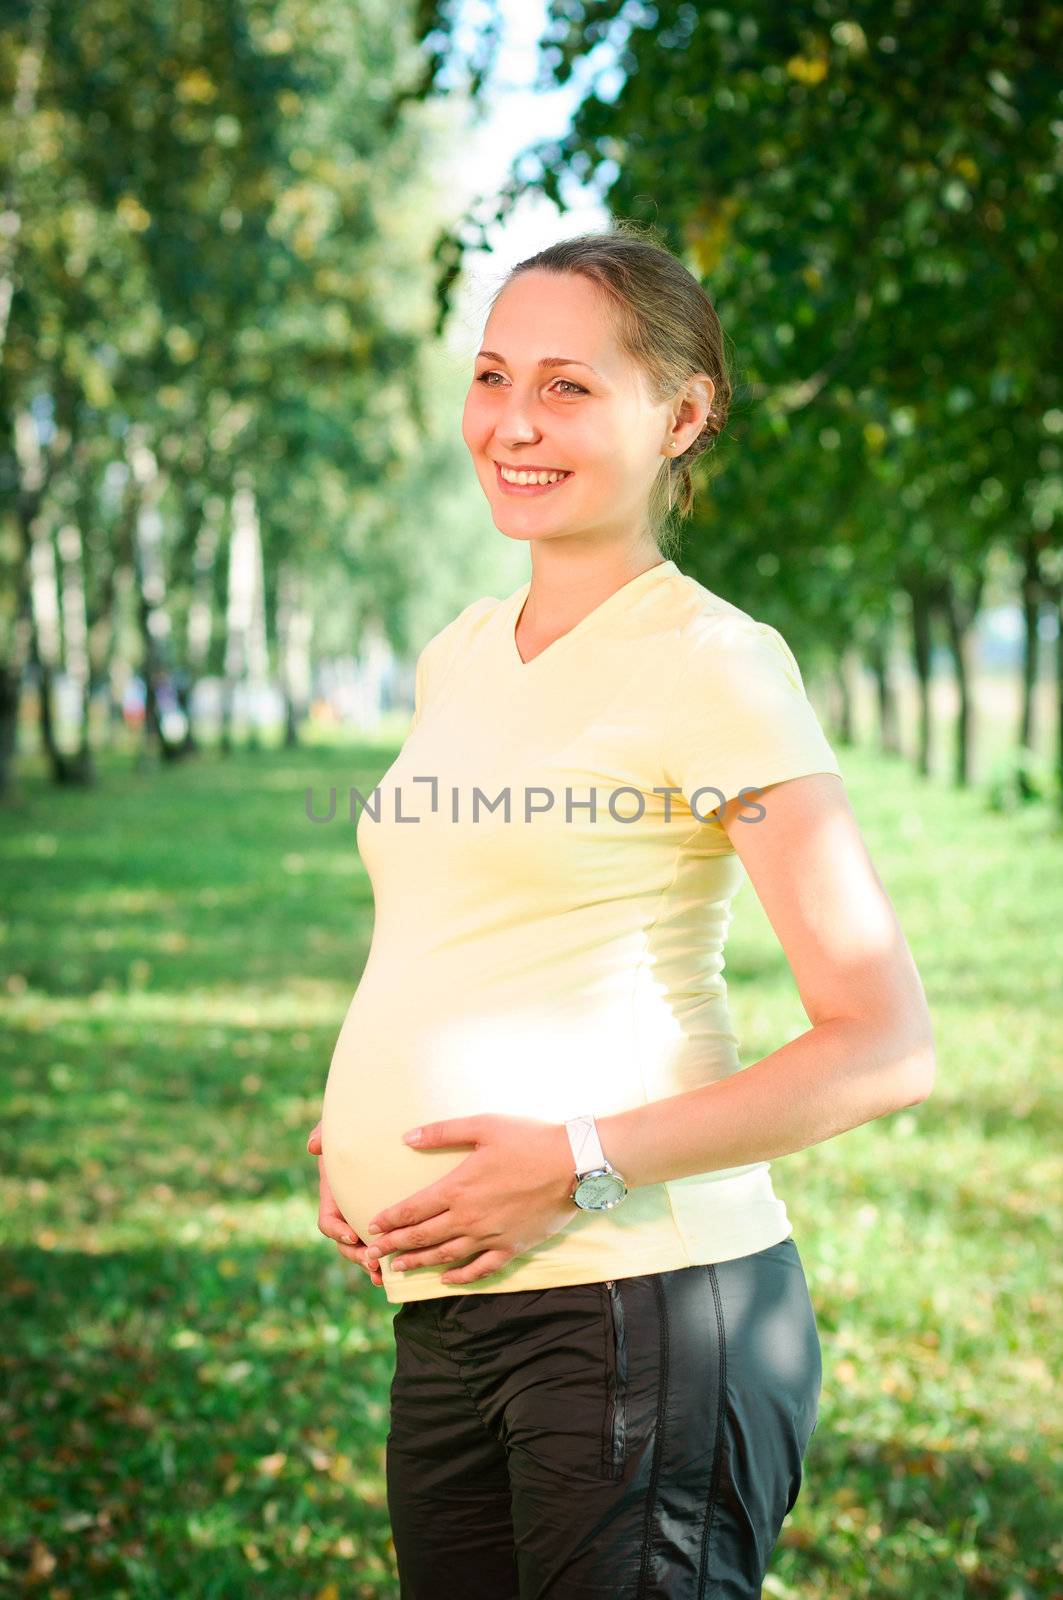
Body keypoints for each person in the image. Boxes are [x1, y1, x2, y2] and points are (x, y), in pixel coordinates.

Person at [306, 224, 936, 1599]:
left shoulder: (714, 661)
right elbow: (462, 929)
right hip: (453, 1311)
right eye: (491, 376)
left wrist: (577, 1156)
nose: (513, 424)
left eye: (570, 387)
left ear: (683, 413)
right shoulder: (462, 651)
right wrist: (356, 1133)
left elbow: (884, 1043)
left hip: (638, 1307)